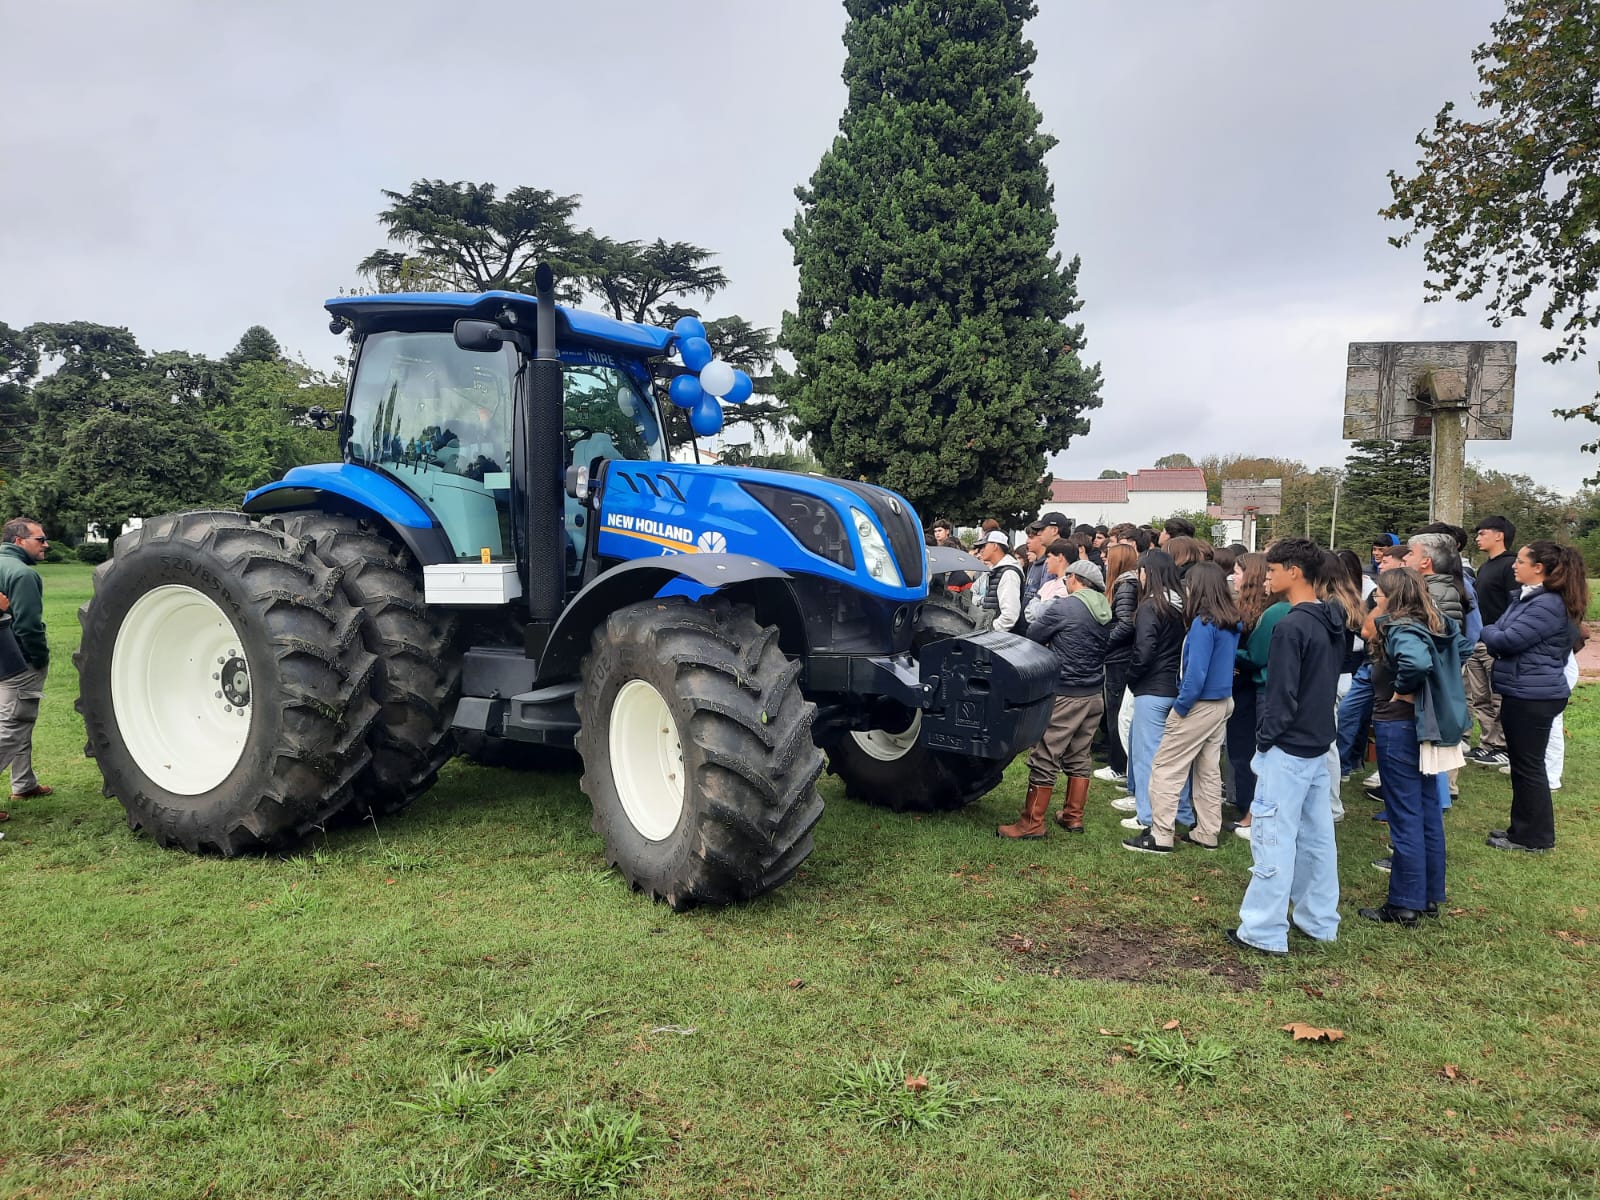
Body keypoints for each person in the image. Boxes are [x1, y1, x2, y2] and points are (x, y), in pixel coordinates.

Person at [1230, 538, 1345, 956]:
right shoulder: (1332, 619)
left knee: (1272, 837)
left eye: (1274, 569)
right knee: (1317, 838)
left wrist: (1265, 741)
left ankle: (1262, 930)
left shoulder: (1290, 626)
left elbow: (1282, 696)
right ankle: (1318, 920)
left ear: (1294, 572)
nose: (1267, 577)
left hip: (1289, 746)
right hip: (1317, 741)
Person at [1357, 568, 1471, 926]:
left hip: (1399, 723)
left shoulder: (1402, 626)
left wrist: (1404, 688)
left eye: (1378, 594)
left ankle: (1404, 903)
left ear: (1388, 596)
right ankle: (1428, 895)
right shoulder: (1436, 622)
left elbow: (1416, 662)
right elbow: (1462, 647)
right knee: (1426, 811)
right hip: (1423, 725)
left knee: (1405, 813)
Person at [1123, 562, 1241, 854]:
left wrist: (1181, 707)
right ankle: (1207, 831)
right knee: (1208, 770)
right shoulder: (1230, 621)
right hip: (1223, 701)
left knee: (1165, 767)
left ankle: (1160, 834)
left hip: (1198, 703)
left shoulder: (1203, 624)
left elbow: (1195, 674)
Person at [1479, 541, 1589, 852]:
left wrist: (1488, 632)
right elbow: (1500, 632)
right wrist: (1494, 634)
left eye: (1522, 561)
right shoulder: (1529, 599)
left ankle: (1535, 837)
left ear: (1538, 568)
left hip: (1533, 695)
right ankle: (1521, 829)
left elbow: (1506, 638)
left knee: (1529, 767)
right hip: (1525, 689)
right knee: (1524, 765)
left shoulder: (1547, 604)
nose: (1515, 564)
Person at [999, 553, 1111, 838]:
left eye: (1067, 578)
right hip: (1094, 693)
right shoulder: (1104, 608)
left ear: (1074, 579)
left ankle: (1032, 823)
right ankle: (1073, 816)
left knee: (1046, 754)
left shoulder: (1066, 607)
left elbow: (1035, 633)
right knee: (1079, 754)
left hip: (1067, 692)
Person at [1122, 550, 1195, 834]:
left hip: (1151, 689)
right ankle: (1183, 812)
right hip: (1176, 687)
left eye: (1140, 571)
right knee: (1175, 758)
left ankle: (1148, 815)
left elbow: (1144, 649)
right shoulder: (1182, 605)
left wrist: (1132, 676)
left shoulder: (1151, 606)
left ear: (1148, 573)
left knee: (1146, 756)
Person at [1224, 553, 1289, 839]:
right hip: (1249, 685)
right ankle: (1244, 803)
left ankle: (1249, 809)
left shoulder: (1270, 612)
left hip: (1252, 688)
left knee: (1246, 751)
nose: (1233, 578)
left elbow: (1257, 655)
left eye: (1237, 573)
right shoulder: (1256, 609)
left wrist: (1227, 653)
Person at [0, 517, 52, 813]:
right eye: (40, 540)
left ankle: (24, 783)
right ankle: (23, 783)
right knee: (14, 723)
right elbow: (29, 626)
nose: (46, 545)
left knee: (15, 720)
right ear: (19, 541)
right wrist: (39, 657)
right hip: (17, 661)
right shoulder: (22, 575)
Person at [1465, 515, 1518, 767]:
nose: (1477, 538)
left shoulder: (1512, 566)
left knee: (1499, 696)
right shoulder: (1484, 567)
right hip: (1478, 638)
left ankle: (1503, 746)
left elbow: (1515, 605)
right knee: (1480, 697)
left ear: (1499, 535)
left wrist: (1503, 635)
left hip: (1497, 641)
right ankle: (1487, 743)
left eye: (1482, 533)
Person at [1094, 542, 1140, 786]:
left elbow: (1125, 624)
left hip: (1120, 657)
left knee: (1117, 711)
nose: (1103, 559)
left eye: (1107, 555)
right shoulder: (1129, 584)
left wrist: (1103, 645)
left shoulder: (1125, 586)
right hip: (1120, 655)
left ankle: (1118, 765)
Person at [973, 531, 1025, 635]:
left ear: (995, 546)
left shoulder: (1008, 573)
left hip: (1002, 640)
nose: (980, 551)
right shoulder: (998, 571)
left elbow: (1009, 616)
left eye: (984, 546)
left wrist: (990, 630)